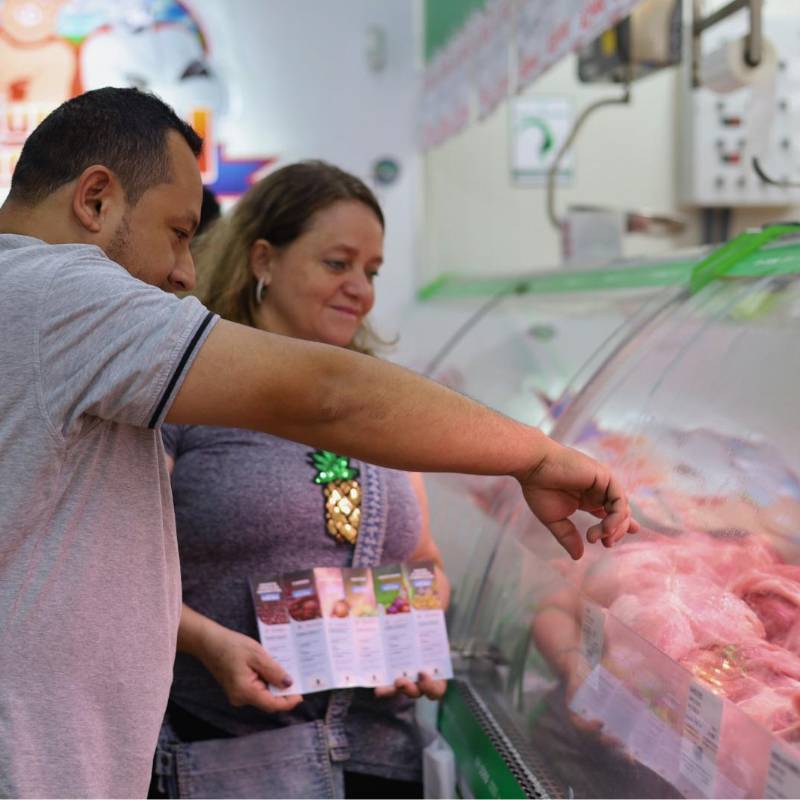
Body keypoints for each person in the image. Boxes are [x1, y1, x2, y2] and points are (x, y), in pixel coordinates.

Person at [0, 87, 636, 799]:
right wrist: (536, 454)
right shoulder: (54, 295)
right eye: (179, 232)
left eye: (372, 271)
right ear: (94, 200)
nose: (185, 271)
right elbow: (329, 395)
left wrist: (408, 629)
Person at [153, 161, 450, 799]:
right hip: (228, 756)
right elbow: (117, 569)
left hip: (380, 760)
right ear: (264, 259)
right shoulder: (188, 391)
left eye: (371, 271)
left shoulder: (384, 404)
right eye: (338, 264)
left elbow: (426, 564)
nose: (361, 290)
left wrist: (413, 636)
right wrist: (208, 643)